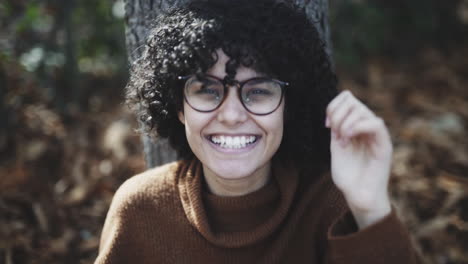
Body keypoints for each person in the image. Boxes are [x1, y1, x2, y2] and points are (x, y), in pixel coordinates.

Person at [95, 0, 422, 263]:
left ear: (287, 107)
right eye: (208, 90)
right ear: (179, 107)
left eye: (258, 91)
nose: (233, 115)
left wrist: (370, 209)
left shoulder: (332, 206)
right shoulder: (140, 210)